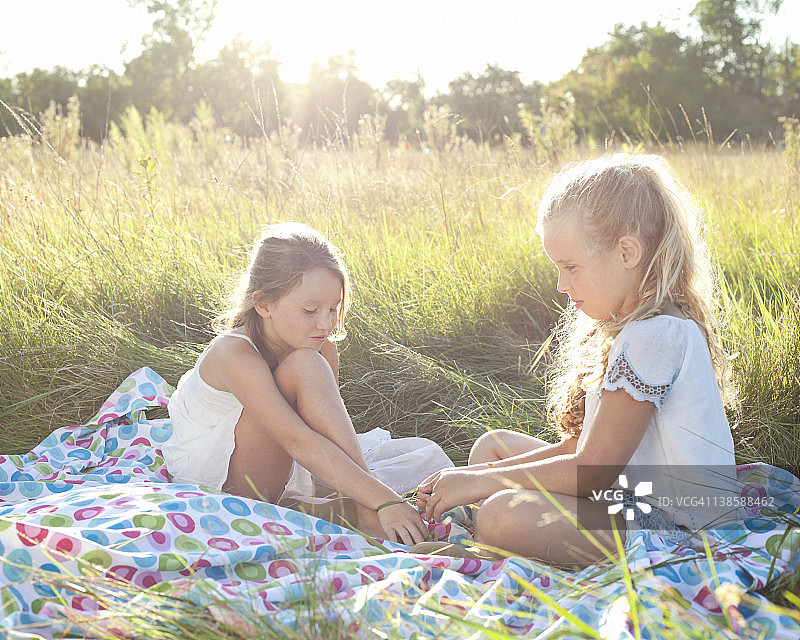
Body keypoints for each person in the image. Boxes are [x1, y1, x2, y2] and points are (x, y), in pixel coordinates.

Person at [415, 154, 737, 567]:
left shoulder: (655, 336)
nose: (561, 284)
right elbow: (583, 447)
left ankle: (490, 547)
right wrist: (478, 477)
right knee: (491, 447)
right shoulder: (636, 326)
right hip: (629, 495)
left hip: (674, 527)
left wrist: (479, 483)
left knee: (498, 511)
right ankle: (505, 537)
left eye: (570, 267)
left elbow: (593, 471)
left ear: (627, 252)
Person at [162, 221, 428, 545]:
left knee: (422, 458)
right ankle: (366, 511)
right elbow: (297, 439)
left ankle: (345, 506)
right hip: (214, 478)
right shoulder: (234, 353)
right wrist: (384, 499)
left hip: (277, 459)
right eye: (310, 310)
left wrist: (371, 492)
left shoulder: (319, 346)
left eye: (333, 309)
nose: (325, 323)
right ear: (264, 305)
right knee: (305, 364)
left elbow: (322, 430)